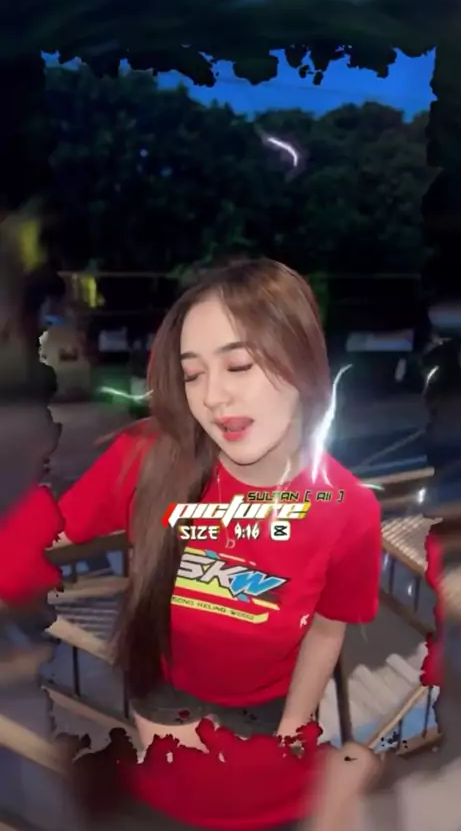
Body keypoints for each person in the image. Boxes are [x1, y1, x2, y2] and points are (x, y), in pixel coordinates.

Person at [0, 257, 383, 830]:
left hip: (271, 738)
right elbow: (36, 539)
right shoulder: (148, 459)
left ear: (301, 363)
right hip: (164, 722)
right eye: (193, 374)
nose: (214, 398)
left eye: (238, 365)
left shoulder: (348, 508)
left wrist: (292, 728)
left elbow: (328, 628)